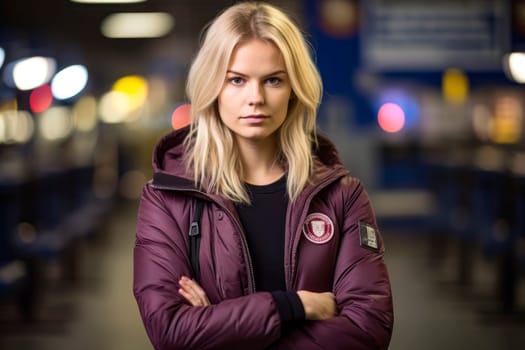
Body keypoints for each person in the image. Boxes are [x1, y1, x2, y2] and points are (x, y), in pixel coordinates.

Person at [133, 2, 393, 349]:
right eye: (237, 80)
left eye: (273, 80)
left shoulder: (342, 196)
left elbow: (368, 330)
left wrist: (220, 326)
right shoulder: (167, 198)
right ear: (213, 88)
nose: (255, 98)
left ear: (294, 89)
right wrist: (296, 305)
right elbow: (171, 331)